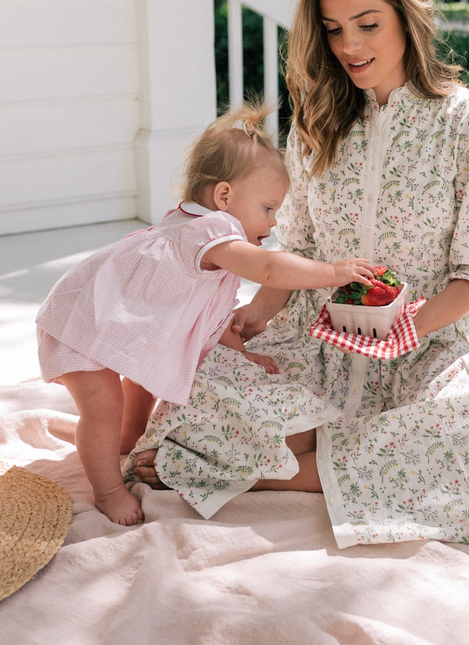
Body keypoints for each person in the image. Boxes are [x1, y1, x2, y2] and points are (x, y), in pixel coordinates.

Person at [131, 0, 469, 552]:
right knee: (201, 381)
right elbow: (298, 243)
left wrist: (407, 331)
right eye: (334, 28)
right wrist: (252, 318)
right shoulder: (316, 120)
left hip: (427, 336)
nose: (349, 45)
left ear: (408, 12)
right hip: (315, 332)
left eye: (367, 24)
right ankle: (330, 458)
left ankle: (276, 472)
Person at [36, 103, 376, 526]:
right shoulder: (213, 230)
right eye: (268, 208)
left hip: (112, 322)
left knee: (144, 378)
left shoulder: (204, 235)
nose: (273, 222)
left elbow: (209, 323)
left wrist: (244, 355)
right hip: (82, 322)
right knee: (102, 404)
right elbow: (270, 267)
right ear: (224, 196)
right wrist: (332, 272)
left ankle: (125, 439)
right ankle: (107, 490)